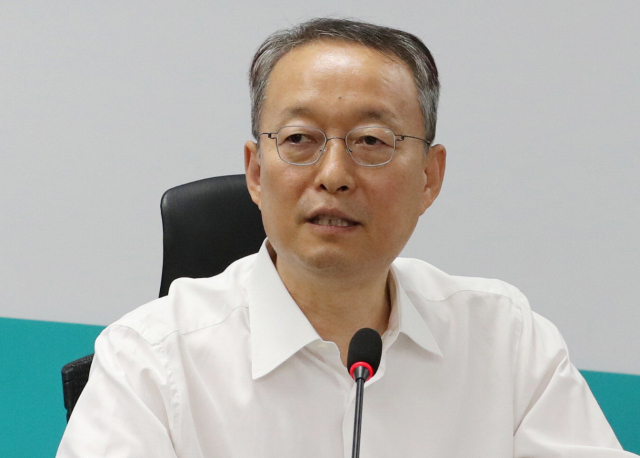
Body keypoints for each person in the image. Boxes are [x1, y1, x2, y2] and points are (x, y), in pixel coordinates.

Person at [57, 18, 636, 457]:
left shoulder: (505, 340)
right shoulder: (149, 361)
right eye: (300, 139)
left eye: (371, 142)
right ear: (255, 172)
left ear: (430, 177)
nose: (333, 174)